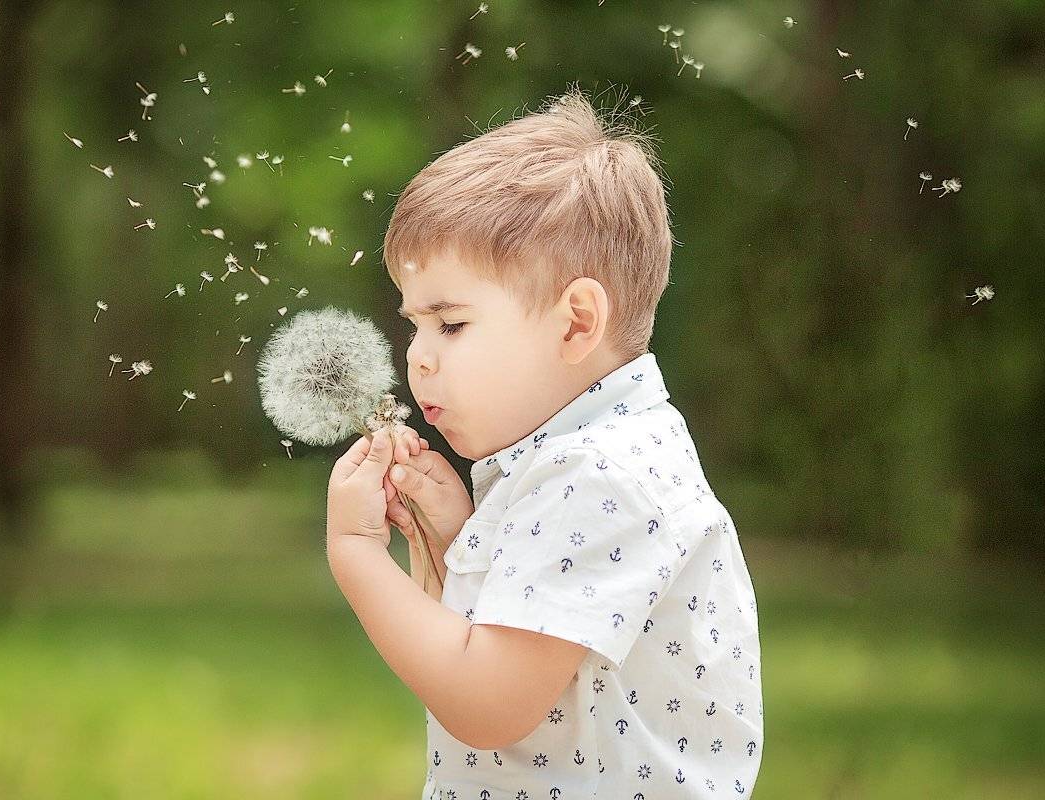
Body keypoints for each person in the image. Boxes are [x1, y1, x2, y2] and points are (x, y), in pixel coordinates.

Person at [327, 86, 763, 799]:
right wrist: (455, 547)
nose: (418, 358)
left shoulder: (595, 475)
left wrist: (354, 556)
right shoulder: (587, 461)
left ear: (575, 324)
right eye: (415, 326)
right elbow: (508, 669)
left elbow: (486, 704)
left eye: (451, 324)